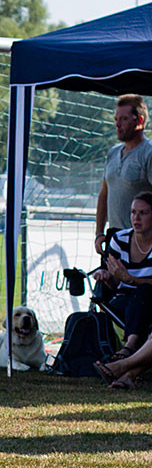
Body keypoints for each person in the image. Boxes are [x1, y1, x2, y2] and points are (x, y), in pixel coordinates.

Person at [92, 191, 152, 361]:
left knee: (144, 292)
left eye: (143, 213)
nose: (136, 218)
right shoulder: (119, 239)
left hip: (149, 297)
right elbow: (115, 284)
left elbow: (131, 281)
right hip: (124, 300)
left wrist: (131, 279)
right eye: (133, 212)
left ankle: (129, 347)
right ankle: (130, 351)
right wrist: (107, 277)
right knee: (133, 298)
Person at [94, 95, 152, 256]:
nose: (118, 124)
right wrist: (99, 233)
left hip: (140, 243)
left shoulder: (148, 153)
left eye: (124, 119)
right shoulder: (112, 153)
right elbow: (104, 194)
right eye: (116, 119)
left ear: (139, 121)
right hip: (114, 239)